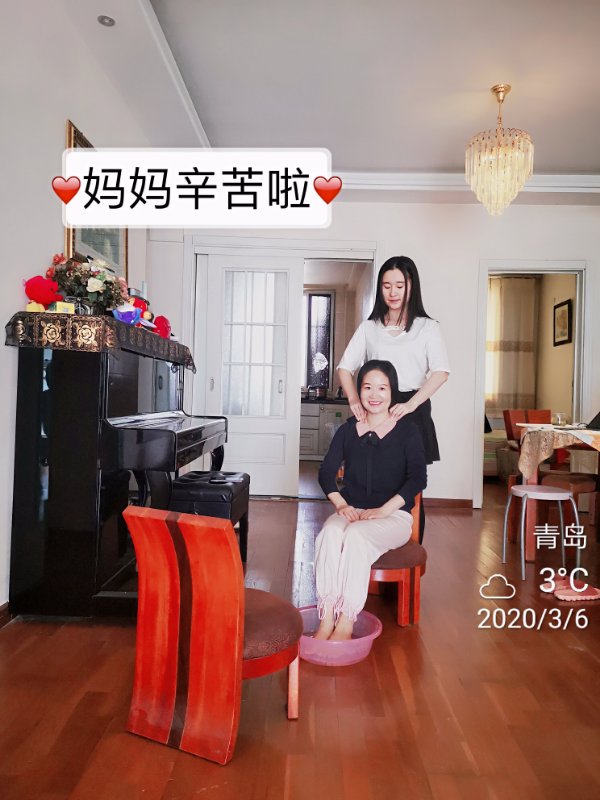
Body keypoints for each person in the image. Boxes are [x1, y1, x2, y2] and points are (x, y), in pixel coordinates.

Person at [337, 256, 449, 540]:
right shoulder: (369, 327)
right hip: (376, 410)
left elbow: (441, 372)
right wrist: (354, 400)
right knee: (371, 480)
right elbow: (345, 367)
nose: (393, 292)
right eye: (387, 286)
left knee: (411, 488)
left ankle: (410, 551)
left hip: (413, 410)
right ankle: (368, 545)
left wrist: (411, 405)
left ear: (412, 286)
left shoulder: (427, 327)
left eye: (400, 285)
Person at [314, 360, 427, 641]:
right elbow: (326, 472)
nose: (374, 395)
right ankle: (326, 616)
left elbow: (417, 479)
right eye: (367, 387)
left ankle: (346, 620)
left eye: (382, 388)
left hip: (394, 517)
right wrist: (341, 505)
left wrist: (384, 510)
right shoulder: (348, 430)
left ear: (392, 392)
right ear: (359, 392)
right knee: (329, 533)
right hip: (352, 510)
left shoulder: (408, 430)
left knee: (356, 536)